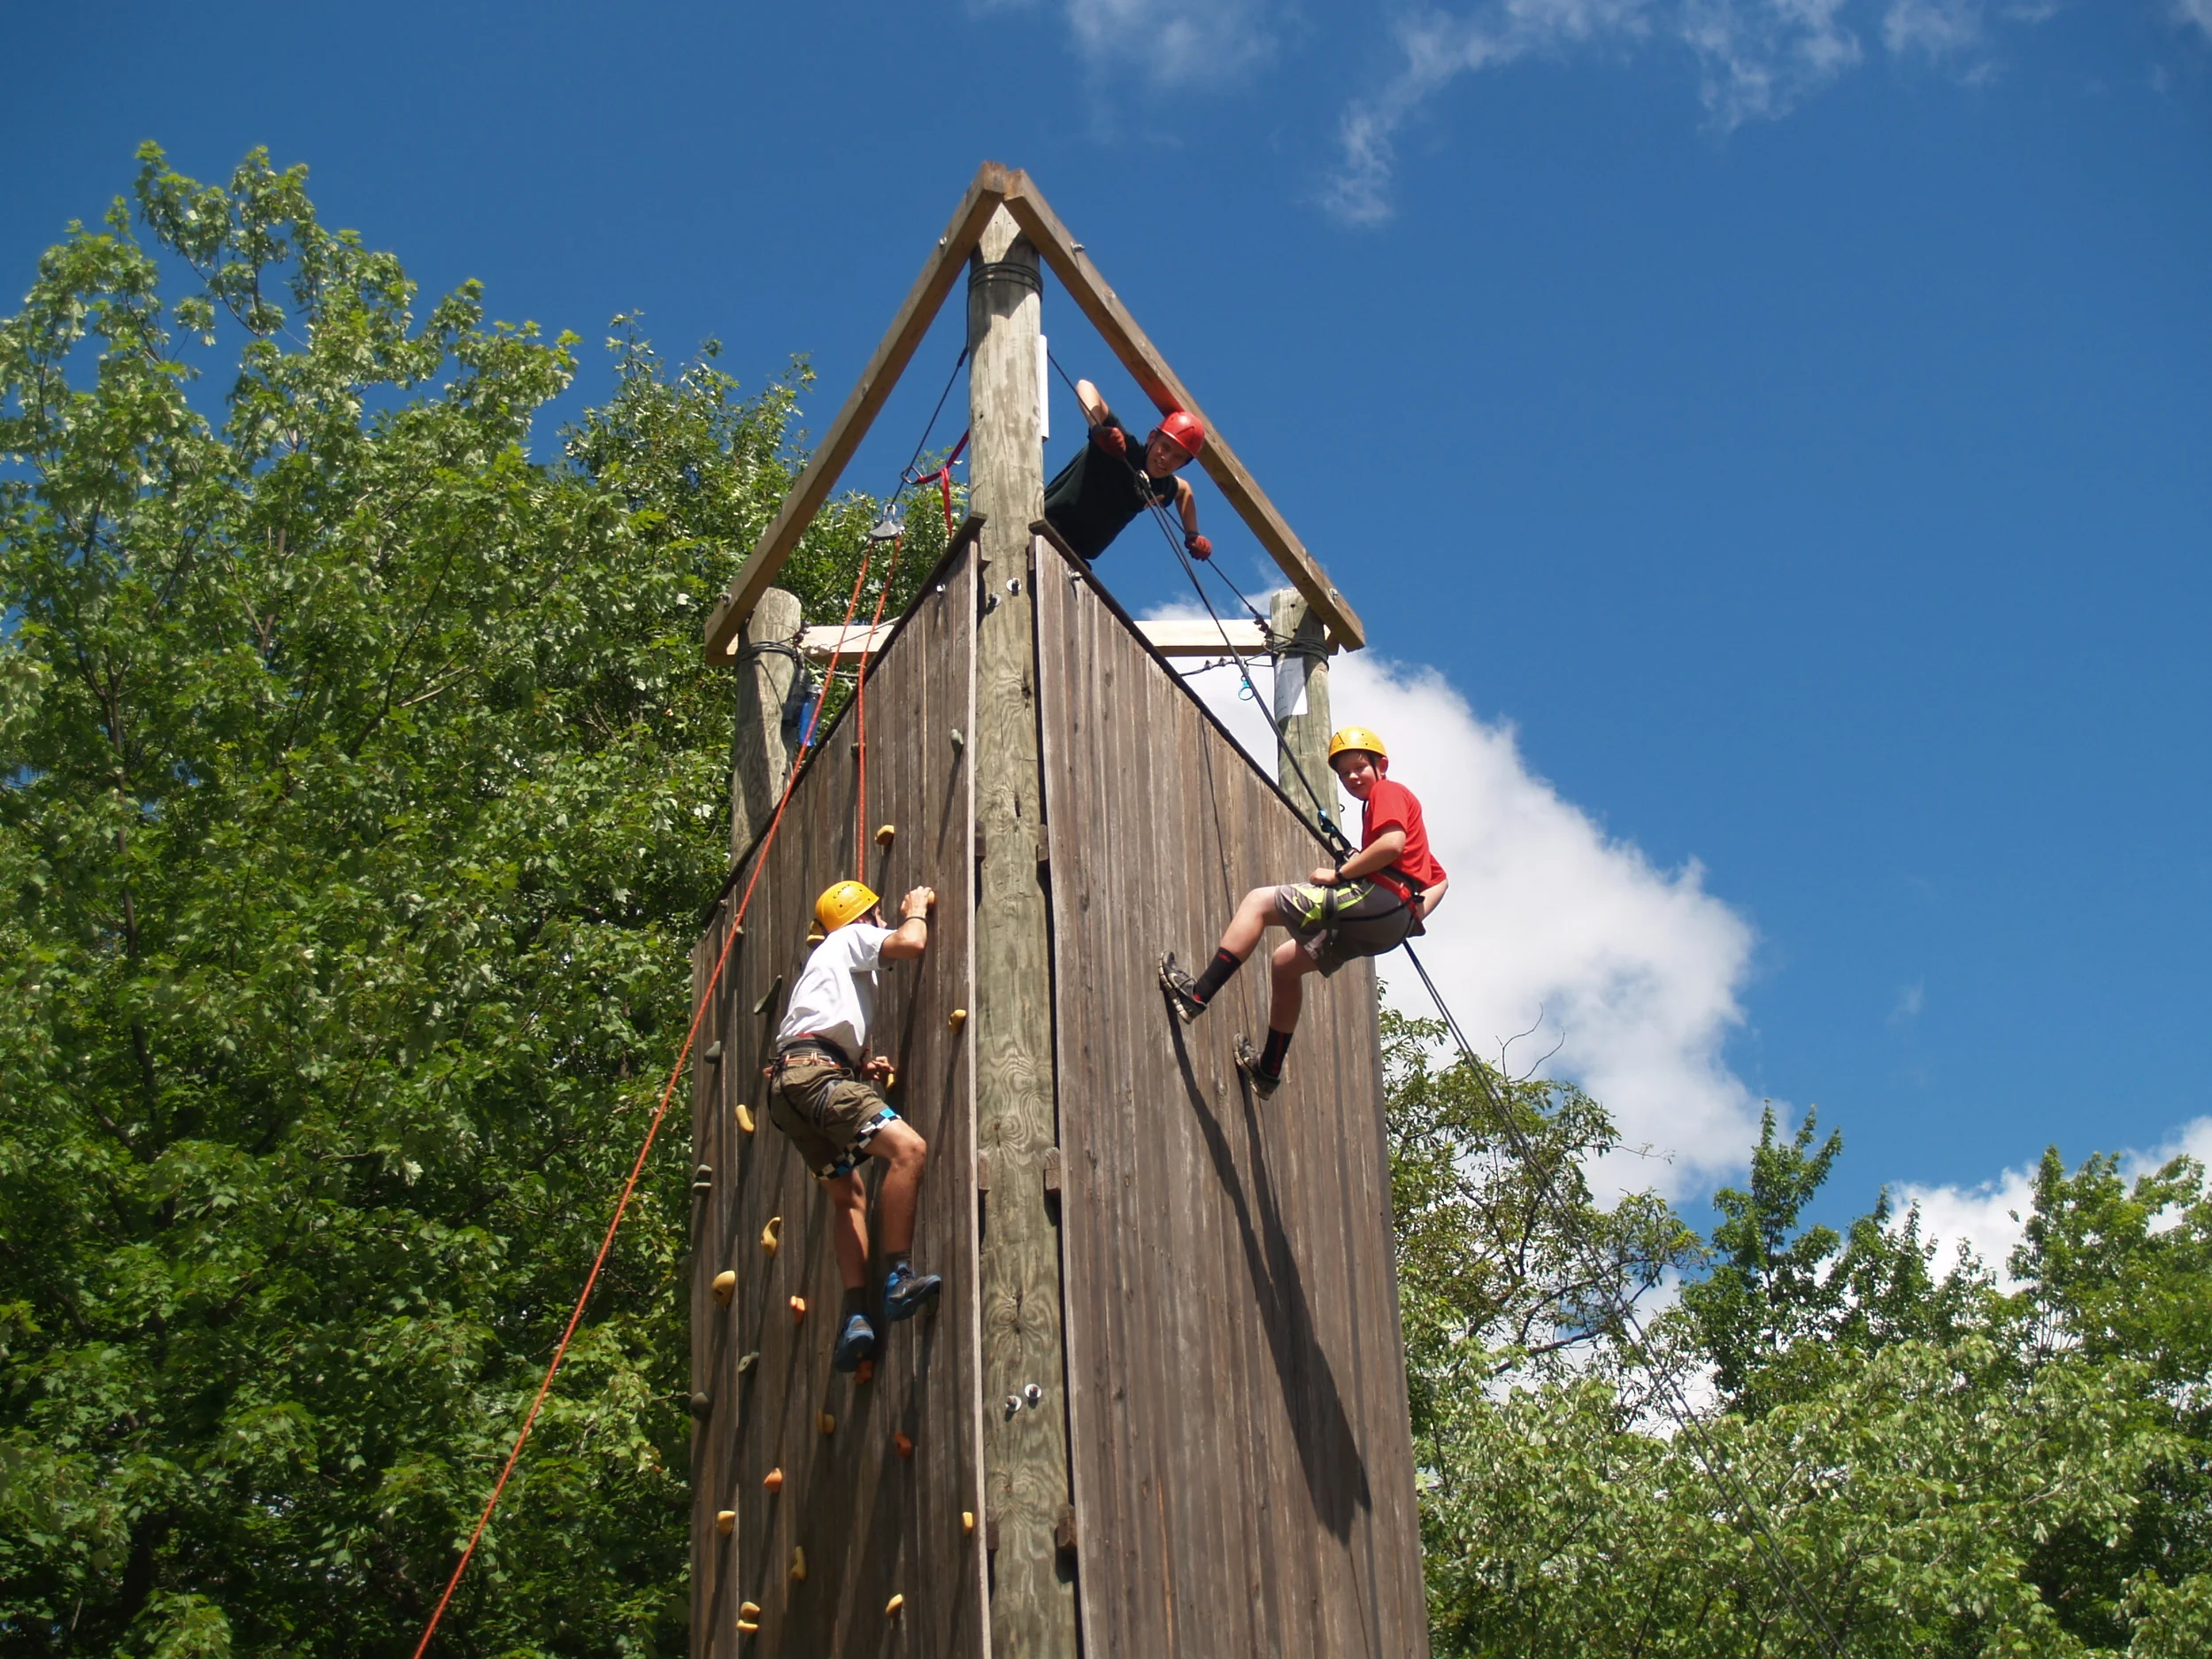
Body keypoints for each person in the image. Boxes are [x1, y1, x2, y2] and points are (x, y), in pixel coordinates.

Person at [1159, 727, 1448, 1098]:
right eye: (1343, 774)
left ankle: (1196, 995)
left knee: (1258, 902)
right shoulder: (1393, 808)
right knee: (1285, 963)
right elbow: (1440, 878)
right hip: (1391, 921)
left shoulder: (1387, 792)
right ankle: (1267, 1070)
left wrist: (1341, 874)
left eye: (1360, 767)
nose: (1352, 777)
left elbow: (1392, 844)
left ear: (1382, 765)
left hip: (1378, 902)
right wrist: (1414, 915)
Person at [765, 879, 943, 1371]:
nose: (881, 921)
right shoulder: (848, 936)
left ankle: (856, 1316)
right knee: (908, 1150)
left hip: (791, 1086)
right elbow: (910, 943)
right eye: (877, 914)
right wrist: (916, 910)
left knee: (848, 1195)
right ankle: (898, 1278)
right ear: (863, 916)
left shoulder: (825, 963)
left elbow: (815, 1029)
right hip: (814, 1077)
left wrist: (857, 1067)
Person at [1042, 378, 1212, 564]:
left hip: (1075, 556)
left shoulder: (1161, 484)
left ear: (1182, 465)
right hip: (1045, 524)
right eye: (1165, 447)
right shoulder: (1124, 447)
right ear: (1152, 437)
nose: (1166, 459)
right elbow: (1085, 386)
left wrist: (1192, 534)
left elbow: (1184, 490)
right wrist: (1098, 430)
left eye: (1178, 457)